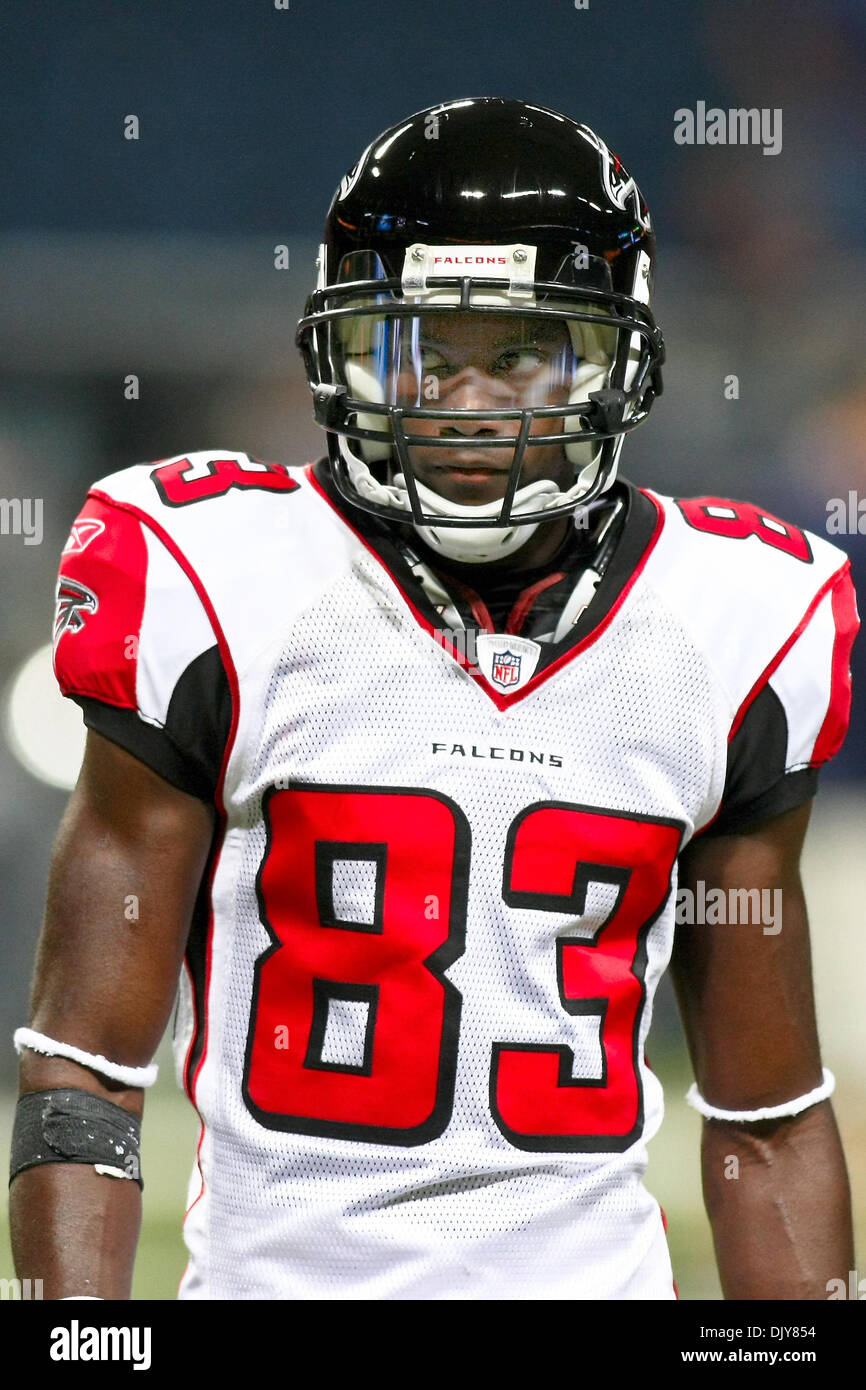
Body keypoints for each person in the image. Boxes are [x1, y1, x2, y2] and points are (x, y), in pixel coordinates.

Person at [10, 98, 858, 1301]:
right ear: (339, 351)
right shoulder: (220, 578)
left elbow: (767, 1117)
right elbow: (81, 1073)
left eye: (517, 352)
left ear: (616, 359)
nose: (466, 402)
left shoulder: (735, 618)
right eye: (420, 350)